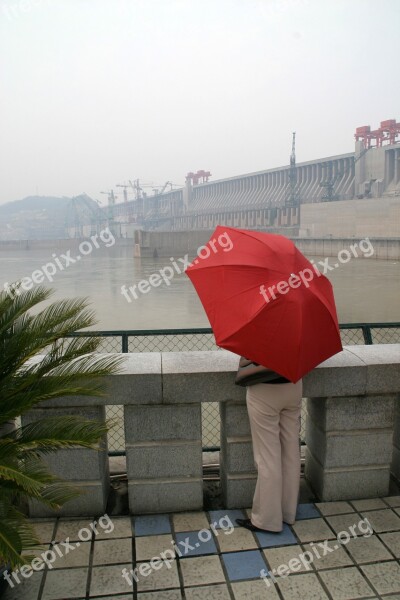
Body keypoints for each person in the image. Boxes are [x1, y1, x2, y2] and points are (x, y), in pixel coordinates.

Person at [236, 370, 302, 533]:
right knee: (291, 452)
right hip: (293, 385)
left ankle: (267, 520)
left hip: (265, 389)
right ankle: (288, 512)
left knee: (267, 456)